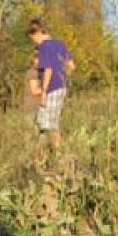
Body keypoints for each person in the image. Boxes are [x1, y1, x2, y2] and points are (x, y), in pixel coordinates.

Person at [27, 20, 75, 155]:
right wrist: (64, 78)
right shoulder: (60, 44)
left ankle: (56, 154)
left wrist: (43, 92)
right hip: (62, 88)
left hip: (51, 89)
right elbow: (71, 66)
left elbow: (47, 69)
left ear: (37, 33)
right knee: (53, 121)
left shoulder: (43, 46)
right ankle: (48, 152)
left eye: (33, 38)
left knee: (47, 124)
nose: (34, 42)